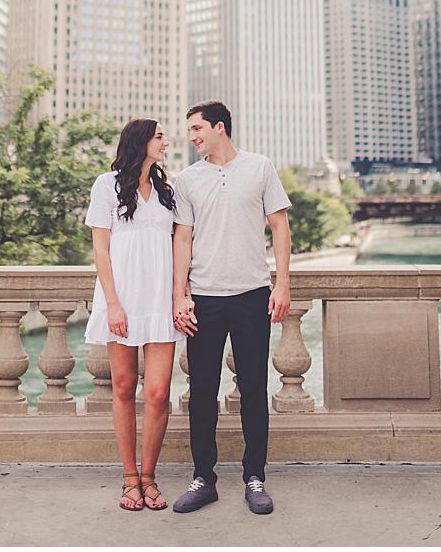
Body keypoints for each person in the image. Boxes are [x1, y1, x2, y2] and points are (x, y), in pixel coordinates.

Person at [168, 100, 293, 517]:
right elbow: (182, 239)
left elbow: (280, 227)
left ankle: (254, 477)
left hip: (252, 293)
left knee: (254, 389)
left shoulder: (260, 167)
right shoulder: (186, 180)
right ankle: (203, 478)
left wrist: (282, 284)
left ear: (220, 127)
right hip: (203, 297)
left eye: (197, 129)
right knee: (202, 391)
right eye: (188, 131)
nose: (192, 137)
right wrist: (180, 294)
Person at [85, 118, 180, 512]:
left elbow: (180, 246)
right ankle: (128, 479)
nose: (167, 142)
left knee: (157, 394)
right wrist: (113, 304)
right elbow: (101, 249)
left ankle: (149, 477)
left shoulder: (167, 190)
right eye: (160, 136)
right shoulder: (105, 186)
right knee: (124, 388)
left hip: (160, 301)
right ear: (141, 141)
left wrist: (180, 295)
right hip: (121, 299)